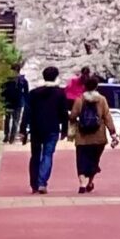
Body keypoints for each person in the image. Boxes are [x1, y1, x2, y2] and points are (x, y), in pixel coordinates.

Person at [24, 65, 69, 194]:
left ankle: (34, 184)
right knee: (48, 155)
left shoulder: (34, 93)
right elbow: (64, 112)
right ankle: (42, 182)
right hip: (52, 127)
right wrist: (64, 129)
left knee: (35, 155)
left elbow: (27, 112)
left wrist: (23, 129)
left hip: (36, 127)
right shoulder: (60, 93)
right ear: (56, 77)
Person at [68, 71, 115, 194]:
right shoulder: (102, 100)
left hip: (82, 136)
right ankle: (90, 182)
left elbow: (73, 116)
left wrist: (72, 129)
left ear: (84, 86)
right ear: (96, 86)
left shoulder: (79, 100)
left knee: (81, 160)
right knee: (94, 160)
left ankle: (82, 183)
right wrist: (113, 133)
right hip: (98, 136)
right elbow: (107, 116)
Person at [0, 68, 28, 146]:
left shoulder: (6, 79)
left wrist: (1, 100)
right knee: (15, 120)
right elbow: (26, 93)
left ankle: (7, 135)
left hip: (8, 103)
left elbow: (1, 90)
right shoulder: (23, 80)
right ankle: (12, 137)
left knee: (7, 119)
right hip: (18, 104)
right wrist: (26, 103)